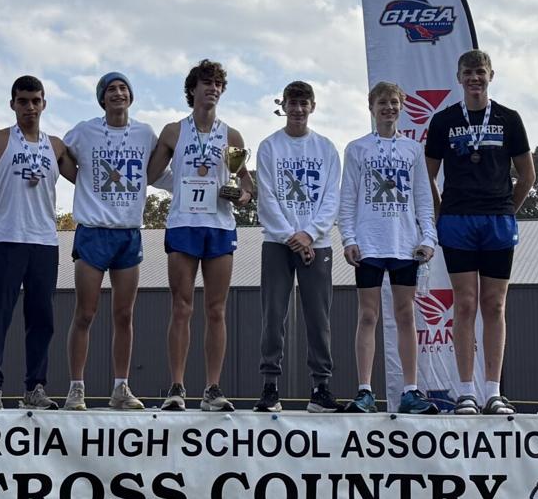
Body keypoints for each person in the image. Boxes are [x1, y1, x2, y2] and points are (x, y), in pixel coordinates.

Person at [425, 49, 535, 415]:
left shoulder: (509, 119)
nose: (475, 78)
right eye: (468, 72)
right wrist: (441, 214)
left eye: (481, 72)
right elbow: (427, 175)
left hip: (497, 221)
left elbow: (527, 175)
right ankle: (465, 392)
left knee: (495, 304)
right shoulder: (443, 121)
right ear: (459, 77)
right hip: (458, 220)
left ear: (491, 76)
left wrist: (507, 209)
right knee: (465, 304)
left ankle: (493, 392)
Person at [146, 59, 253, 412]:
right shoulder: (173, 132)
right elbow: (151, 175)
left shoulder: (231, 136)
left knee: (216, 309)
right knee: (181, 307)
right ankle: (177, 387)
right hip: (183, 224)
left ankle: (212, 388)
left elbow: (247, 186)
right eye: (207, 83)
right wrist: (178, 185)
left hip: (219, 225)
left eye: (218, 84)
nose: (213, 89)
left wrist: (238, 195)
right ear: (192, 89)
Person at [60, 72, 164, 410]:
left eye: (123, 88)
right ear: (102, 98)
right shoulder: (84, 130)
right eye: (111, 89)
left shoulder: (145, 133)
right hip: (93, 231)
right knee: (85, 312)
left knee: (124, 314)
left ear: (130, 95)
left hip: (128, 232)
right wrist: (81, 181)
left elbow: (158, 171)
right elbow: (58, 153)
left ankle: (121, 387)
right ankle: (76, 388)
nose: (118, 93)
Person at [339, 81, 438, 415]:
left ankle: (410, 391)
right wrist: (348, 238)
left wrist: (428, 238)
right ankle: (365, 391)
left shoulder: (413, 150)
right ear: (371, 107)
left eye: (394, 102)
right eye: (382, 102)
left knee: (405, 314)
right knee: (368, 315)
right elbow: (348, 197)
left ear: (402, 107)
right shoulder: (357, 148)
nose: (388, 108)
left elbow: (423, 197)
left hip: (404, 244)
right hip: (369, 243)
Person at [0, 75, 73, 409]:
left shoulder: (56, 145)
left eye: (35, 101)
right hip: (7, 238)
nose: (29, 107)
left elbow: (88, 177)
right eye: (23, 101)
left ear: (44, 103)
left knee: (42, 318)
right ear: (12, 104)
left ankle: (35, 388)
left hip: (44, 241)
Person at [255, 80, 341, 413]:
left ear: (312, 107)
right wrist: (292, 237)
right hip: (278, 243)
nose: (298, 109)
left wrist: (310, 234)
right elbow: (267, 197)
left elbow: (331, 199)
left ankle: (321, 388)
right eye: (292, 103)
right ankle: (270, 387)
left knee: (319, 318)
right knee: (273, 315)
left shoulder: (326, 148)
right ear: (284, 106)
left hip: (316, 244)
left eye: (304, 103)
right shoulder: (269, 146)